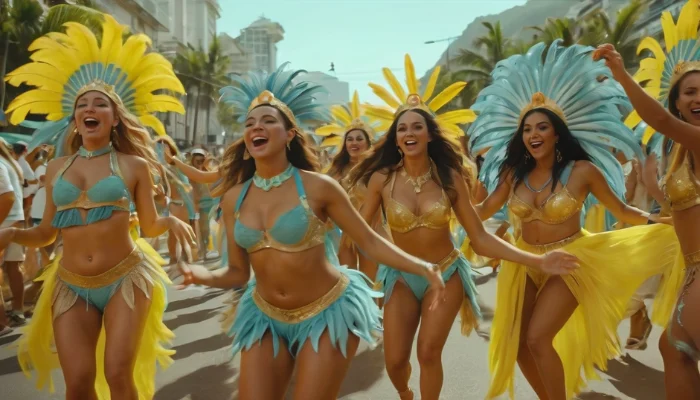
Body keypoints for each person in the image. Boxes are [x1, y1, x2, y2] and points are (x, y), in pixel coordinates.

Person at [177, 62, 450, 400]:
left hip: (325, 313)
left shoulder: (319, 188)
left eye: (267, 121)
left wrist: (422, 267)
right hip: (263, 316)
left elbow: (367, 240)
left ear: (290, 134)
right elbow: (236, 272)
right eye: (249, 124)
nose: (256, 127)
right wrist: (202, 274)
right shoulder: (235, 198)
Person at [351, 53, 580, 400]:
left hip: (446, 274)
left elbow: (480, 237)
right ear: (395, 139)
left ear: (429, 135)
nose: (409, 132)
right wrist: (353, 279)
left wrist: (536, 261)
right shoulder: (381, 179)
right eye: (402, 128)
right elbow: (361, 232)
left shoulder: (450, 177)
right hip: (399, 275)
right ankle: (406, 393)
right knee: (395, 361)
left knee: (428, 351)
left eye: (417, 127)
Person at [469, 40, 682, 400]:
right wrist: (443, 213)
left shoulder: (582, 171)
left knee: (538, 338)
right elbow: (486, 210)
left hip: (570, 261)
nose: (533, 135)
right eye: (527, 130)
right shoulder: (512, 173)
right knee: (519, 343)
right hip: (525, 263)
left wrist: (661, 223)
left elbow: (623, 211)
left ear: (556, 134)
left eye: (541, 128)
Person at [1, 15, 194, 399]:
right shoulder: (57, 168)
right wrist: (12, 232)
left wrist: (171, 221)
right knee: (77, 383)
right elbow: (46, 234)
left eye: (100, 104)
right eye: (82, 105)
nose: (89, 109)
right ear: (75, 120)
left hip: (125, 278)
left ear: (114, 118)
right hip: (70, 283)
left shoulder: (133, 165)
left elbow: (150, 226)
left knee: (118, 375)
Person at [595, 1, 700, 396]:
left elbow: (659, 121)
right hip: (690, 276)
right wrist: (655, 218)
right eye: (690, 92)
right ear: (676, 100)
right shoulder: (678, 155)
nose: (698, 97)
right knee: (672, 351)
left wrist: (621, 75)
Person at [316, 90, 385, 276]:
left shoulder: (375, 171)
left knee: (371, 282)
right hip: (344, 235)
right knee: (348, 281)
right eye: (350, 139)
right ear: (345, 144)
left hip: (371, 233)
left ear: (368, 143)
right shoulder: (335, 171)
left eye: (359, 139)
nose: (354, 143)